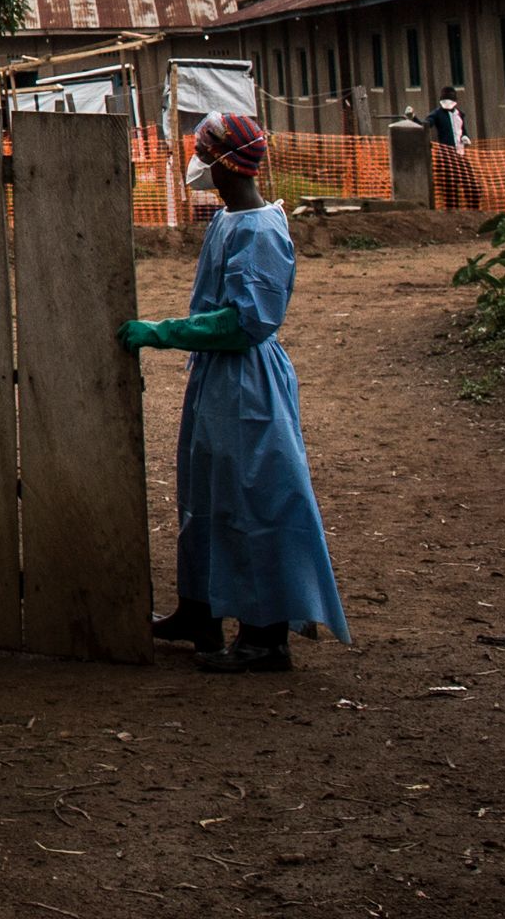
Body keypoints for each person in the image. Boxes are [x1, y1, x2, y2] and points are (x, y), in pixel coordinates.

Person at [118, 112, 349, 673]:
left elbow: (246, 322)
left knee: (256, 497)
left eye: (206, 155)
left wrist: (164, 332)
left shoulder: (262, 230)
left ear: (225, 164)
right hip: (219, 382)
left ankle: (265, 636)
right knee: (208, 494)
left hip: (248, 384)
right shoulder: (229, 220)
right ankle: (200, 612)